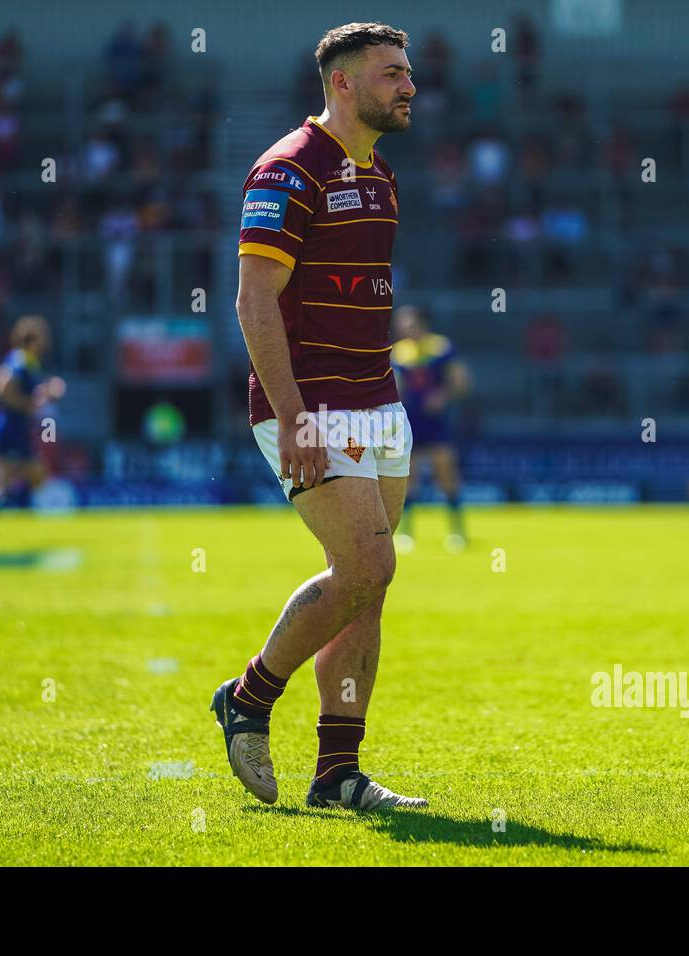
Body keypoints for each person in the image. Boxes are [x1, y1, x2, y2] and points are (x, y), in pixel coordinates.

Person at [211, 22, 427, 812]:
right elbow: (253, 299)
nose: (408, 86)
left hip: (378, 404)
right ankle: (249, 698)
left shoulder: (380, 175)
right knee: (369, 566)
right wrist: (296, 417)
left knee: (366, 588)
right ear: (343, 82)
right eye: (391, 74)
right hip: (310, 407)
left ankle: (338, 773)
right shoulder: (287, 169)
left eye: (407, 73)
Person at [0, 315, 65, 546]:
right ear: (31, 340)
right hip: (11, 428)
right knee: (35, 476)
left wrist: (45, 392)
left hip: (13, 427)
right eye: (41, 338)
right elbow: (1, 388)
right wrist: (29, 404)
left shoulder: (28, 362)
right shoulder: (20, 360)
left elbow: (24, 394)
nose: (45, 342)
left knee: (13, 480)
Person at [391, 304, 471, 550]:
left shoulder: (441, 348)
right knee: (407, 478)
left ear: (423, 323)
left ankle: (457, 532)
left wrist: (443, 396)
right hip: (409, 422)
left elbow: (461, 382)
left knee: (446, 472)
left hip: (437, 423)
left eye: (410, 322)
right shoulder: (397, 353)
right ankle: (406, 534)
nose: (405, 327)